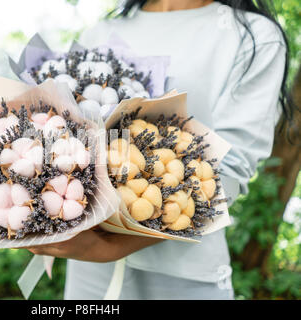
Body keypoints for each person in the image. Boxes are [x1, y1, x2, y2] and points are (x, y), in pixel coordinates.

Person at [28, 0, 295, 299]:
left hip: (183, 274)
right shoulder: (102, 31)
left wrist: (113, 246)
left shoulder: (254, 37)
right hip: (90, 274)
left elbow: (231, 168)